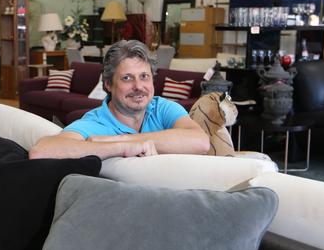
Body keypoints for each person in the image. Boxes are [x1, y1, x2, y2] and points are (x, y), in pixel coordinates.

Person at [29, 40, 209, 160]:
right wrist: (121, 148)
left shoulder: (161, 107)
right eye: (127, 78)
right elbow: (41, 151)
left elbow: (200, 141)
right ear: (108, 84)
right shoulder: (96, 121)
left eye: (144, 76)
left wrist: (122, 140)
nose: (139, 86)